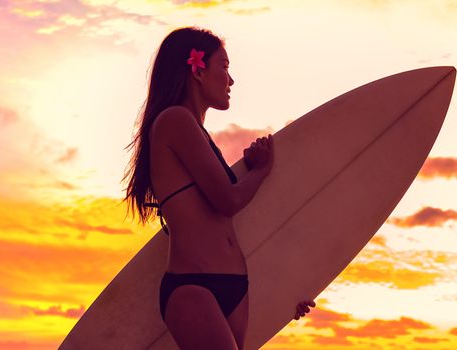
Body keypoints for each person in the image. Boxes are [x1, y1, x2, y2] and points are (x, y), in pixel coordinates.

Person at [122, 26, 315, 350]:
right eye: (224, 67)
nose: (231, 80)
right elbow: (228, 200)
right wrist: (261, 172)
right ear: (197, 70)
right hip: (193, 288)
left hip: (235, 286)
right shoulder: (175, 121)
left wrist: (283, 293)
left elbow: (230, 228)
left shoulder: (197, 132)